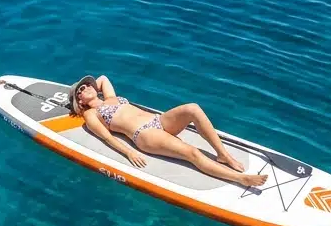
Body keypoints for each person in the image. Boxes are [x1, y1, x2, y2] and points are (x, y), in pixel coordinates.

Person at [68, 75, 268, 189]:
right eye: (81, 89)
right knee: (192, 153)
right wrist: (128, 152)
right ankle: (240, 179)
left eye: (87, 85)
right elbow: (106, 137)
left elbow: (102, 78)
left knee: (193, 108)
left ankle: (223, 154)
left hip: (157, 120)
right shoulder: (91, 114)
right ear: (80, 101)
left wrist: (87, 86)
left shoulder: (110, 97)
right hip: (144, 135)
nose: (87, 87)